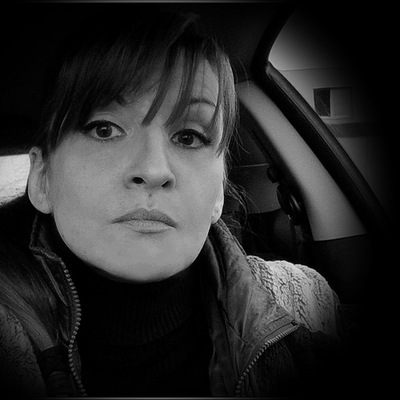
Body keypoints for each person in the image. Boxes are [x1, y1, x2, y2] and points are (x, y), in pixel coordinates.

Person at [0, 9, 348, 398]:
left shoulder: (305, 303)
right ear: (42, 177)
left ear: (219, 193)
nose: (153, 170)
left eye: (188, 137)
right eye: (104, 129)